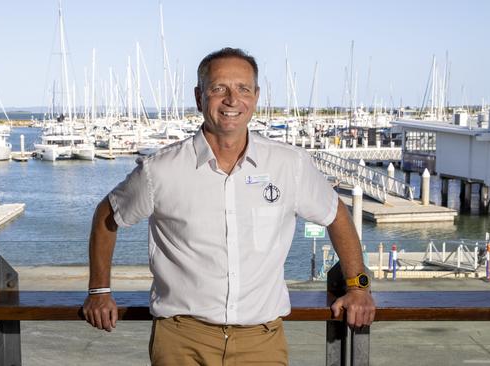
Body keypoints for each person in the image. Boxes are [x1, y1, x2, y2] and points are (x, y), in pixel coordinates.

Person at [83, 47, 375, 365]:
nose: (232, 100)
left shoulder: (289, 165)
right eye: (219, 88)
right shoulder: (161, 170)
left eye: (243, 89)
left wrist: (358, 286)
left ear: (256, 96)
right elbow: (106, 216)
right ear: (199, 97)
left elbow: (336, 215)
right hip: (182, 341)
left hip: (262, 343)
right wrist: (99, 291)